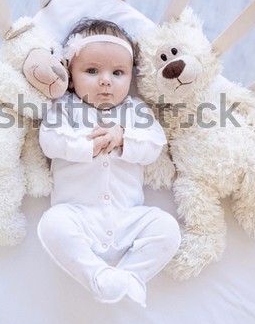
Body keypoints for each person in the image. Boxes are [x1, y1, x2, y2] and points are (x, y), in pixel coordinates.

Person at [38, 19, 181, 307]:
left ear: (131, 76)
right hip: (78, 215)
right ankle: (97, 276)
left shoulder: (135, 110)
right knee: (52, 224)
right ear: (71, 74)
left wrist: (124, 137)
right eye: (92, 71)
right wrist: (84, 146)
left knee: (167, 227)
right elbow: (49, 140)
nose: (106, 80)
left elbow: (154, 143)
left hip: (129, 217)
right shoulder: (65, 108)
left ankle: (130, 276)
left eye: (118, 72)